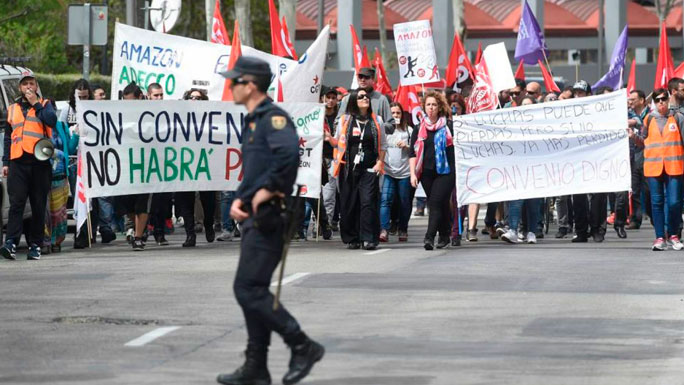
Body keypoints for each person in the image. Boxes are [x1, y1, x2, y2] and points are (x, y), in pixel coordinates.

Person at [217, 56, 324, 385]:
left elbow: (288, 156)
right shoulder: (253, 120)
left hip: (270, 217)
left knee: (247, 288)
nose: (230, 86)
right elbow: (257, 168)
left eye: (234, 81)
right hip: (254, 215)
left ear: (250, 85)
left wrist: (266, 191)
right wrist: (241, 197)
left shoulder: (273, 118)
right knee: (254, 289)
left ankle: (301, 344)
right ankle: (256, 367)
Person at [0, 70, 56, 260]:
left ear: (36, 86)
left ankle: (36, 245)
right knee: (16, 204)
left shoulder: (46, 104)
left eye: (31, 83)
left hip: (39, 163)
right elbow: (9, 137)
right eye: (25, 84)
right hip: (18, 162)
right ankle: (11, 243)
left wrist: (36, 104)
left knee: (38, 206)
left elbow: (51, 121)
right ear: (20, 87)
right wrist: (5, 161)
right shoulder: (13, 108)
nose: (29, 87)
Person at [330, 88, 387, 250]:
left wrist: (379, 162)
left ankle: (368, 238)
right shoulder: (345, 121)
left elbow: (383, 145)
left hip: (369, 168)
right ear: (354, 100)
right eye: (361, 96)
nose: (365, 98)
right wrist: (329, 138)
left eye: (367, 96)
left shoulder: (377, 121)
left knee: (368, 202)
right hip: (348, 168)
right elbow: (338, 142)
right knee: (349, 203)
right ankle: (352, 238)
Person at [634, 88, 684, 250]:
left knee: (675, 202)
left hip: (675, 166)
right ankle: (660, 237)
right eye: (657, 100)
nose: (660, 102)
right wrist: (633, 137)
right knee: (657, 203)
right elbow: (643, 141)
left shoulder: (678, 118)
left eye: (663, 99)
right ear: (653, 103)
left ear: (669, 99)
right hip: (653, 167)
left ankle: (673, 234)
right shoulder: (649, 119)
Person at [409, 90, 455, 250]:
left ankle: (429, 237)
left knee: (434, 202)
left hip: (446, 172)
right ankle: (445, 233)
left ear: (439, 107)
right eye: (428, 105)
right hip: (426, 172)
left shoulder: (449, 126)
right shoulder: (419, 128)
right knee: (440, 204)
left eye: (434, 105)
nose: (431, 108)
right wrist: (413, 174)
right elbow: (412, 153)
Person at [49, 79, 89, 252]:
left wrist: (76, 135)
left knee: (71, 205)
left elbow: (69, 145)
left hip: (71, 168)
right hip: (64, 168)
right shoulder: (65, 112)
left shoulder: (61, 127)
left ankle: (78, 236)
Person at [500, 96, 542, 244]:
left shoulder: (541, 126)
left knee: (533, 201)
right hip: (518, 168)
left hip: (536, 168)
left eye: (528, 105)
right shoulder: (514, 126)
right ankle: (513, 230)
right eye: (523, 105)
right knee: (516, 198)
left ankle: (531, 232)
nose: (525, 108)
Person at [569, 80, 607, 243]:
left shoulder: (597, 112)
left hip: (595, 157)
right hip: (576, 159)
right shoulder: (568, 112)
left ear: (589, 95)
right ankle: (581, 231)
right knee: (578, 197)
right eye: (575, 93)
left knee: (597, 195)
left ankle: (597, 228)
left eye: (581, 93)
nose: (578, 96)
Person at [119, 82, 153, 251]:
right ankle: (141, 227)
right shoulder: (121, 115)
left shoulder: (152, 114)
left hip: (147, 165)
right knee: (127, 204)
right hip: (127, 165)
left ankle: (138, 237)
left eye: (131, 101)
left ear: (140, 98)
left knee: (142, 203)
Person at [380, 102, 412, 242]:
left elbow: (417, 150)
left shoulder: (409, 131)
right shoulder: (383, 130)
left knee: (405, 202)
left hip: (405, 173)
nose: (395, 116)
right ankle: (384, 230)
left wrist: (407, 146)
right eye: (393, 113)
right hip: (388, 172)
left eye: (398, 113)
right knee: (385, 200)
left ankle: (403, 228)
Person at [146, 82, 172, 246]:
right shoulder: (141, 113)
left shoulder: (169, 112)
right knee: (148, 201)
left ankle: (159, 232)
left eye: (161, 95)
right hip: (147, 164)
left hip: (164, 163)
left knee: (163, 200)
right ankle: (142, 231)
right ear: (148, 96)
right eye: (156, 95)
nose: (159, 98)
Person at [627, 89, 649, 229]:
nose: (630, 102)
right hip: (634, 156)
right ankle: (635, 218)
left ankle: (653, 215)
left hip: (648, 157)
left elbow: (637, 123)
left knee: (647, 191)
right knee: (634, 189)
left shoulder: (651, 115)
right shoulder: (629, 114)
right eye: (629, 100)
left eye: (633, 99)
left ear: (641, 100)